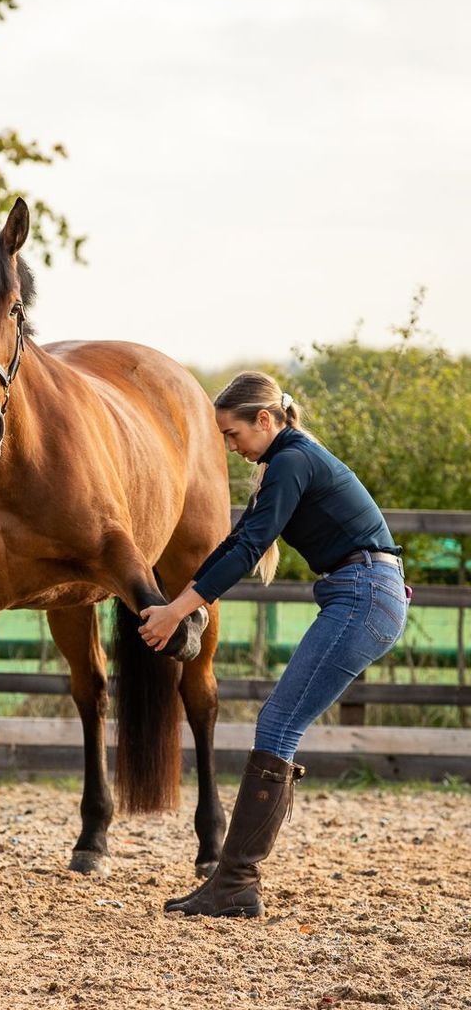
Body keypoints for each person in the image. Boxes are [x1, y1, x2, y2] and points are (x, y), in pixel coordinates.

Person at [139, 371, 409, 919]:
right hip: (362, 592)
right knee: (280, 724)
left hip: (363, 594)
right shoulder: (287, 459)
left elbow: (250, 548)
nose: (230, 447)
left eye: (234, 434)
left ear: (266, 420)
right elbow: (239, 542)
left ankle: (236, 882)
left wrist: (176, 610)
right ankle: (234, 879)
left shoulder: (291, 460)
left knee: (279, 723)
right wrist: (181, 601)